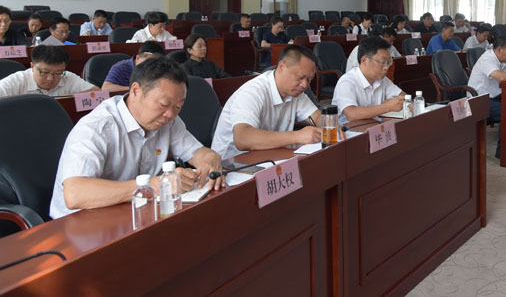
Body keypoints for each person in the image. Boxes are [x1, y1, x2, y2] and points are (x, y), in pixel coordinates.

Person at [49, 57, 225, 219]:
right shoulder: (97, 127)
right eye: (163, 104)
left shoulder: (168, 120)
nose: (170, 114)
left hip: (133, 212)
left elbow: (197, 152)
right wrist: (152, 185)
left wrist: (210, 159)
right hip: (80, 222)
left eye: (178, 106)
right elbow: (75, 194)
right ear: (135, 91)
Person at [211, 45, 322, 160]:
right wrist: (297, 136)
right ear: (281, 67)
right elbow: (242, 139)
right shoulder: (252, 91)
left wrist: (329, 126)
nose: (304, 85)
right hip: (230, 163)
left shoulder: (295, 93)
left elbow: (317, 117)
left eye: (309, 80)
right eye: (300, 77)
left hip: (266, 156)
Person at [332, 36, 405, 124]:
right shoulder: (347, 82)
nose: (386, 67)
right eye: (383, 62)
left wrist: (405, 102)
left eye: (389, 62)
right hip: (350, 130)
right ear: (364, 60)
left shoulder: (381, 79)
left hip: (373, 126)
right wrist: (386, 106)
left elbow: (403, 96)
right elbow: (351, 114)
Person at [0, 45, 98, 97]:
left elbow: (97, 92)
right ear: (32, 66)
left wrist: (65, 98)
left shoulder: (68, 77)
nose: (50, 78)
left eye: (58, 73)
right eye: (44, 72)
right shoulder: (17, 81)